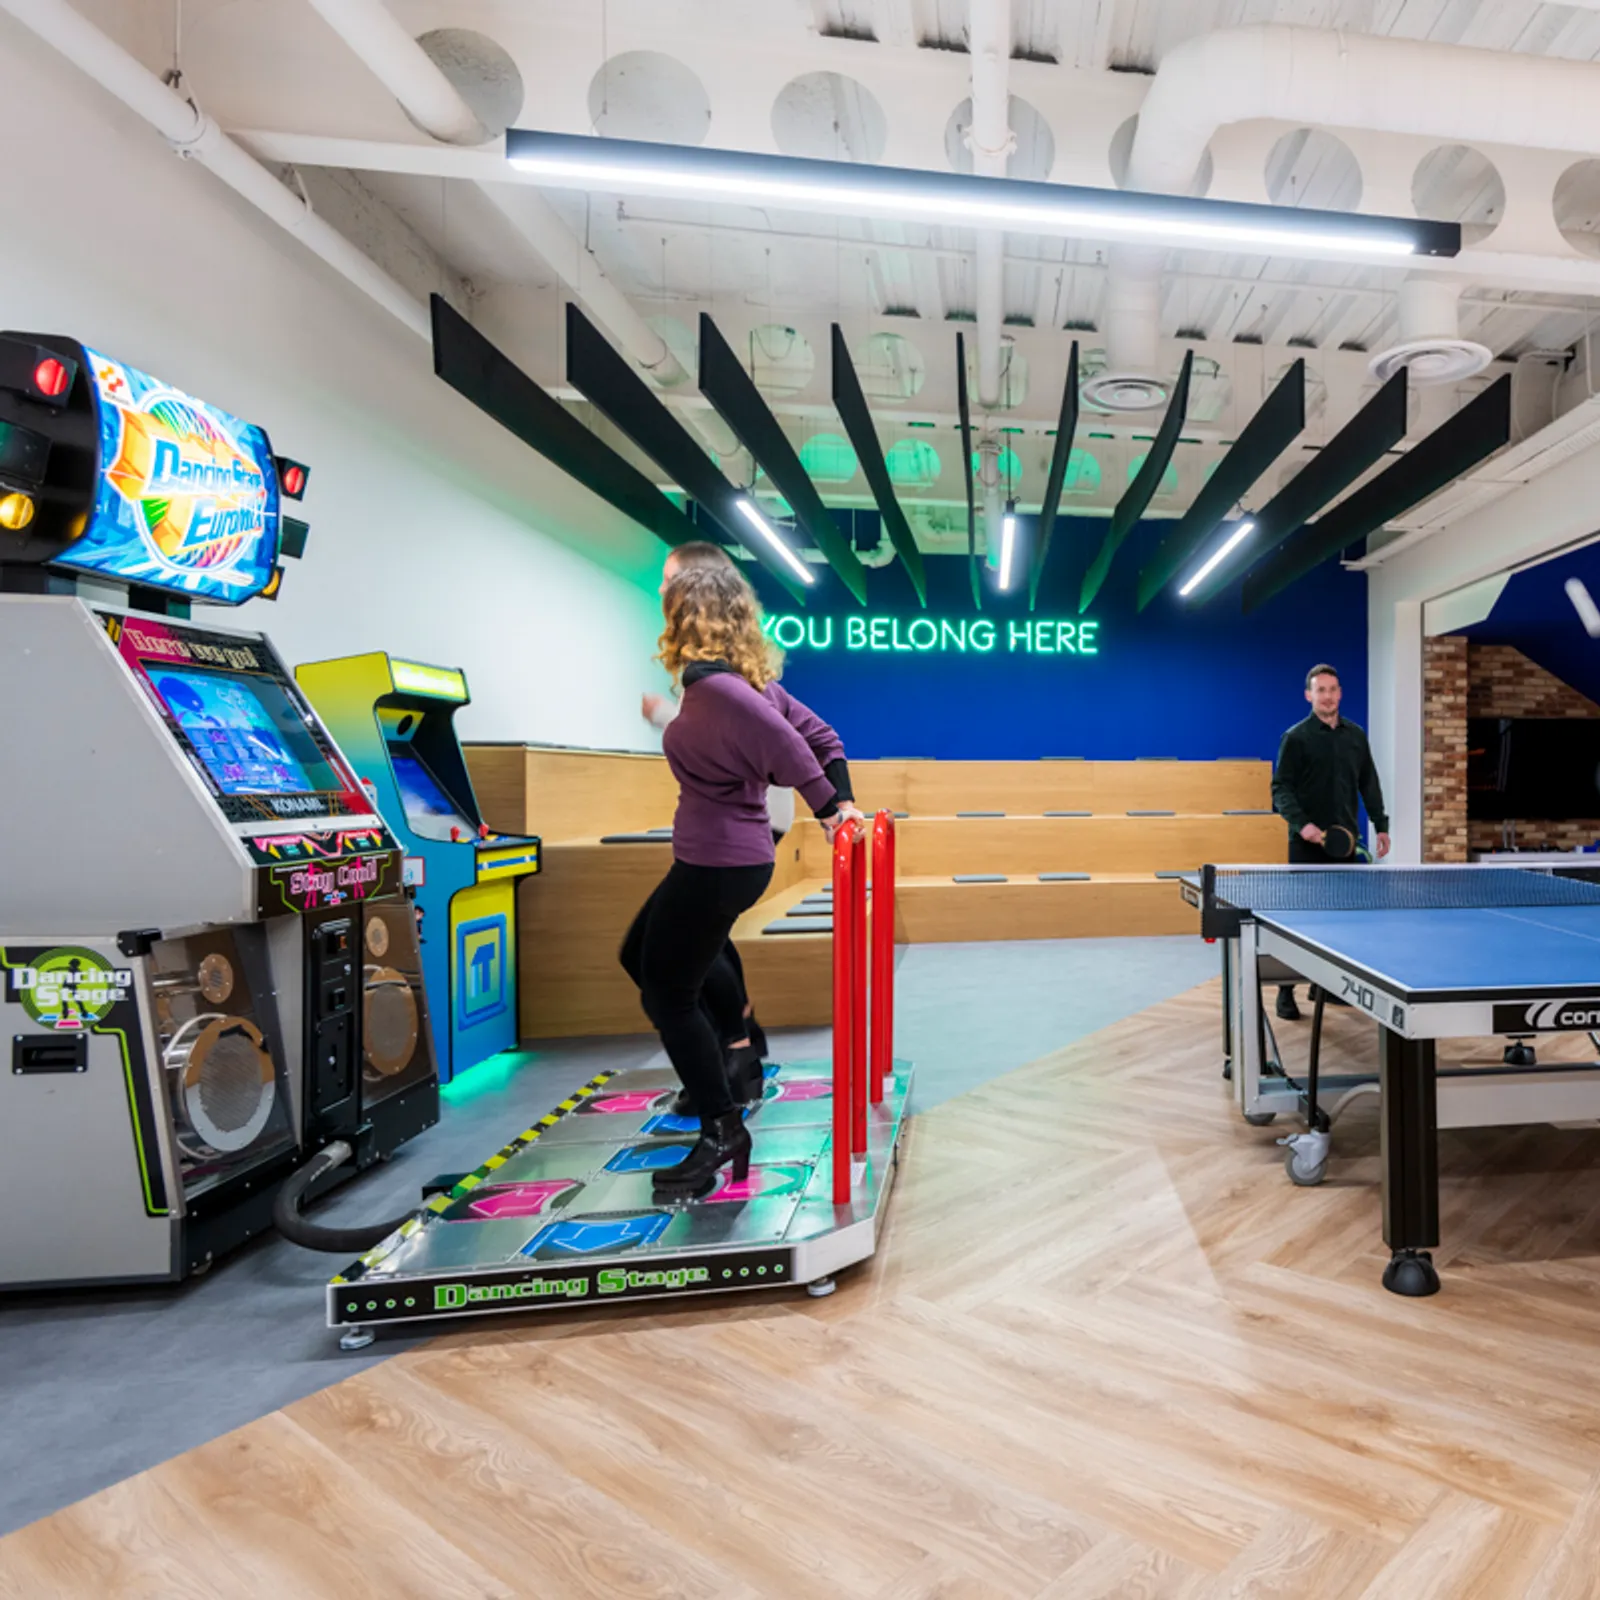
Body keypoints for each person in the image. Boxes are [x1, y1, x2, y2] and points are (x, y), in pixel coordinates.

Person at [620, 563, 861, 1200]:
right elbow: (820, 736)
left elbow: (795, 749)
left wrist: (833, 809)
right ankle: (735, 1059)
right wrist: (838, 800)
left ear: (685, 619)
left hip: (721, 860)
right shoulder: (736, 686)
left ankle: (722, 1124)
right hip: (720, 856)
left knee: (668, 994)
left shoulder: (723, 691)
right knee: (643, 958)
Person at [639, 541, 788, 1081]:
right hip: (748, 823)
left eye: (668, 578)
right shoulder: (725, 657)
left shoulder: (717, 668)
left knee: (682, 956)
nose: (660, 589)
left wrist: (663, 716)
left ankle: (737, 1052)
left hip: (748, 825)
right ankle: (740, 1047)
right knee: (690, 945)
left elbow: (734, 740)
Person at [1270, 663, 1391, 1021]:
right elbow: (1281, 789)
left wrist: (1380, 824)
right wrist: (1302, 824)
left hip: (1344, 845)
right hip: (1306, 844)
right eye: (1320, 690)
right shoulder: (1295, 738)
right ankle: (1285, 990)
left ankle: (1323, 985)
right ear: (1309, 696)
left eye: (1333, 689)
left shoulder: (1355, 736)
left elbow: (1368, 781)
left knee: (1339, 921)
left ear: (1340, 693)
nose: (1327, 696)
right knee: (1302, 921)